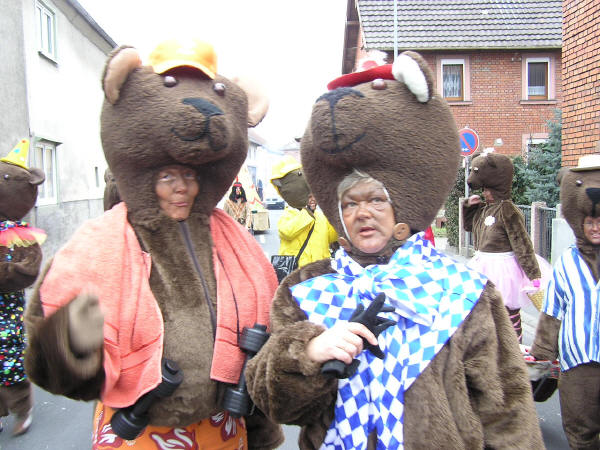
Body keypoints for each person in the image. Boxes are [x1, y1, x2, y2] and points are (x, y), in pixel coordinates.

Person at [24, 39, 283, 449]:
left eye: (189, 176)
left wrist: (261, 427)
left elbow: (264, 329)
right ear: (149, 179)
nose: (182, 188)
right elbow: (53, 346)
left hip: (222, 425)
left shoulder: (230, 238)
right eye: (168, 178)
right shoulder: (104, 240)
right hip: (141, 428)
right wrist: (71, 346)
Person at [531, 154, 600, 450]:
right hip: (577, 363)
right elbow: (553, 311)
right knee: (580, 429)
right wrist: (543, 351)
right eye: (589, 222)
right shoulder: (566, 264)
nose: (595, 227)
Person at [463, 151, 550, 343]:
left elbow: (522, 243)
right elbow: (469, 227)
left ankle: (513, 346)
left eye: (487, 190)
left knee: (507, 311)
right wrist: (470, 208)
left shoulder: (507, 210)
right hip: (483, 265)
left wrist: (533, 273)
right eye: (483, 189)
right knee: (484, 312)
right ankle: (491, 348)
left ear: (496, 188)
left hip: (503, 270)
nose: (484, 193)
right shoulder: (485, 209)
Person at [270, 157, 337, 267]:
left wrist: (337, 216)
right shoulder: (289, 213)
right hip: (298, 271)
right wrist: (308, 213)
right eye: (309, 197)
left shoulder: (320, 216)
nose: (313, 199)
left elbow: (331, 237)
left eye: (314, 196)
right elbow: (287, 232)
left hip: (320, 270)